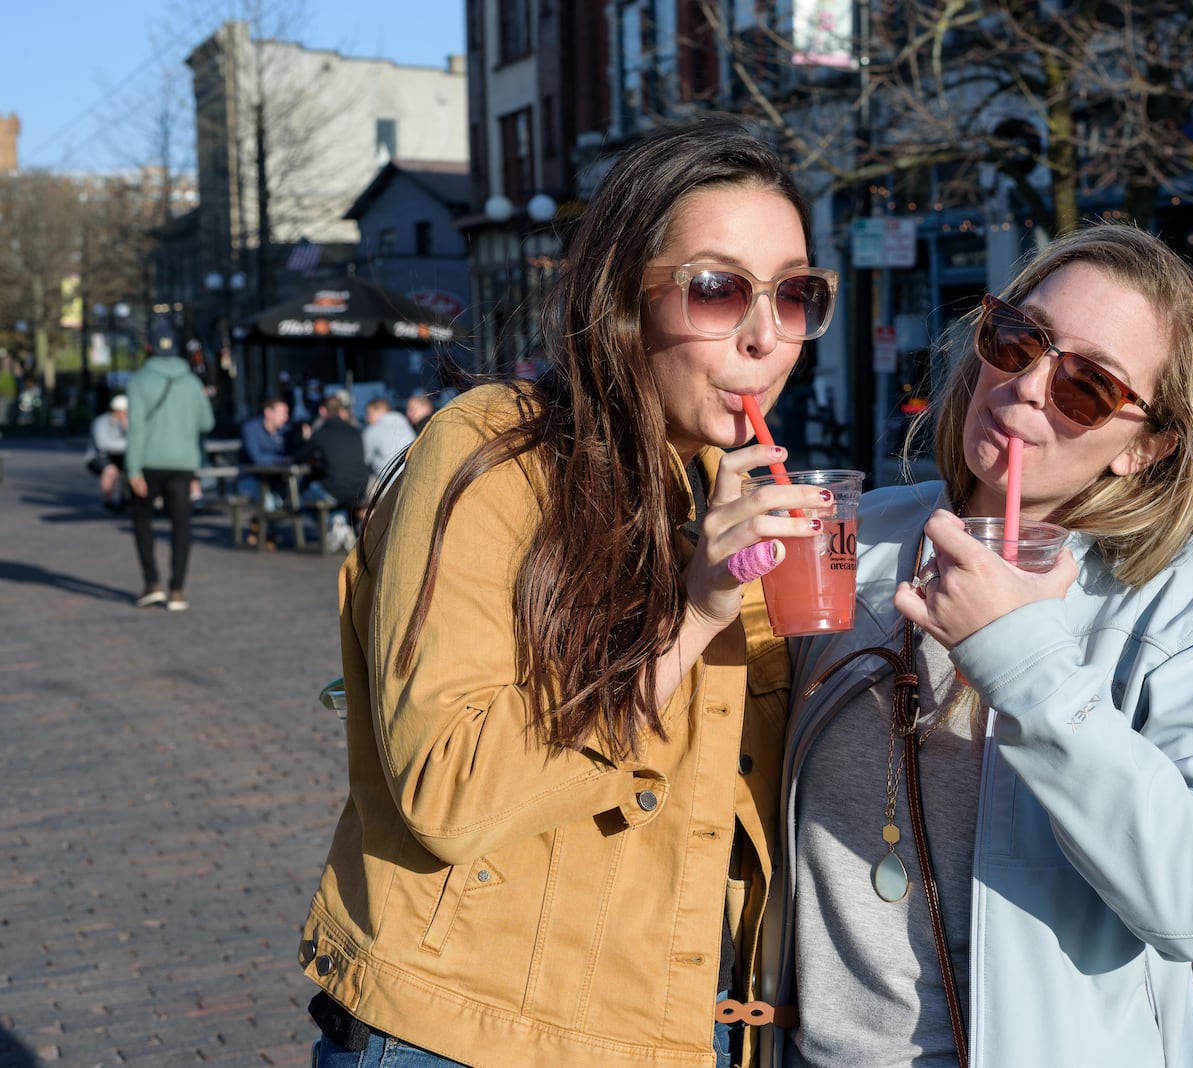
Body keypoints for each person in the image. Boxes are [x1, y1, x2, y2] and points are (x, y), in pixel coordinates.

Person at [298, 115, 842, 1068]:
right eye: (718, 289)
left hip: (687, 1030)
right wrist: (691, 613)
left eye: (794, 294)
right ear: (622, 296)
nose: (766, 336)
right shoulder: (493, 452)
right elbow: (450, 793)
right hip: (475, 1032)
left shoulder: (731, 495)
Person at [767, 223, 1193, 1068]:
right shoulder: (855, 546)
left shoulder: (1183, 602)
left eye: (1086, 387)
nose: (1023, 388)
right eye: (1017, 340)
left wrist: (1027, 663)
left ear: (1146, 447)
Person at [124, 337, 216, 610]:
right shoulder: (191, 382)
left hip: (148, 461)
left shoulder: (139, 381)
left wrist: (132, 469)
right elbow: (207, 423)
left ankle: (152, 583)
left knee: (142, 520)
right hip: (183, 463)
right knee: (181, 525)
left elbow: (136, 428)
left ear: (150, 350)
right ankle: (177, 589)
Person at [295, 389, 367, 551]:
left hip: (336, 488)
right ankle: (341, 523)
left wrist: (307, 439)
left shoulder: (321, 434)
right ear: (341, 410)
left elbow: (300, 457)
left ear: (322, 410)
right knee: (334, 492)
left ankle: (336, 521)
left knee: (304, 495)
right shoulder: (356, 431)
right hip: (360, 488)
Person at [85, 394, 130, 510]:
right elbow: (103, 444)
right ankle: (108, 501)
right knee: (110, 470)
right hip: (99, 457)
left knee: (132, 468)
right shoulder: (101, 422)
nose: (124, 414)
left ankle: (127, 500)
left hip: (121, 456)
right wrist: (129, 443)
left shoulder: (128, 423)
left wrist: (127, 428)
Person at [360, 394, 415, 481]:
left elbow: (364, 459)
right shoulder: (405, 425)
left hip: (387, 482)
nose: (367, 418)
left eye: (369, 414)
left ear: (380, 411)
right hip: (410, 478)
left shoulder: (372, 430)